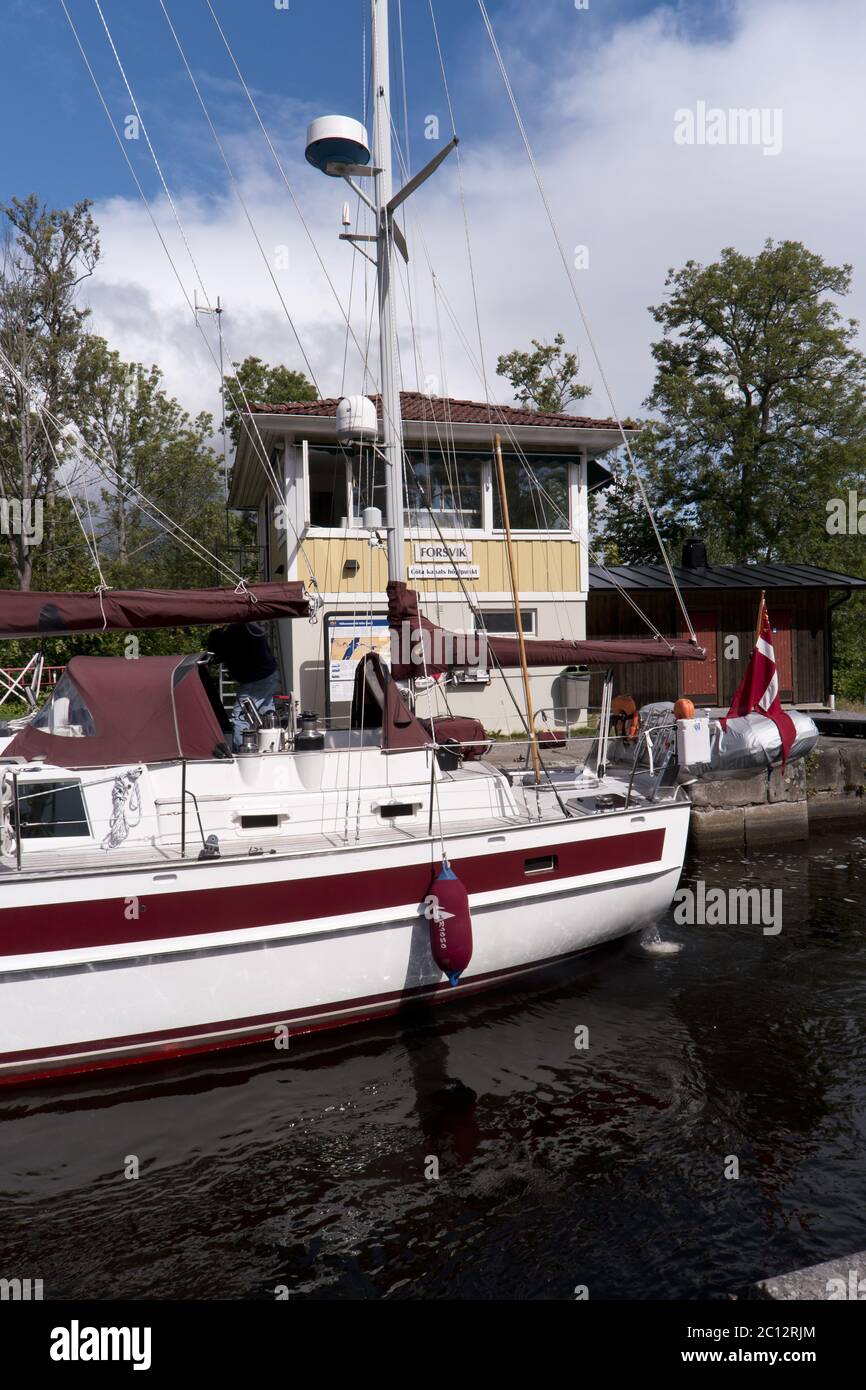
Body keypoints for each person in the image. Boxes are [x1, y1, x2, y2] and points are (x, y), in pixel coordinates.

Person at [207, 621, 280, 752]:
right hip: (269, 674)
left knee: (240, 717)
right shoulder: (248, 627)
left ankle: (242, 753)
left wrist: (216, 633)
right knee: (266, 715)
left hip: (256, 679)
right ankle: (271, 748)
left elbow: (220, 652)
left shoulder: (233, 633)